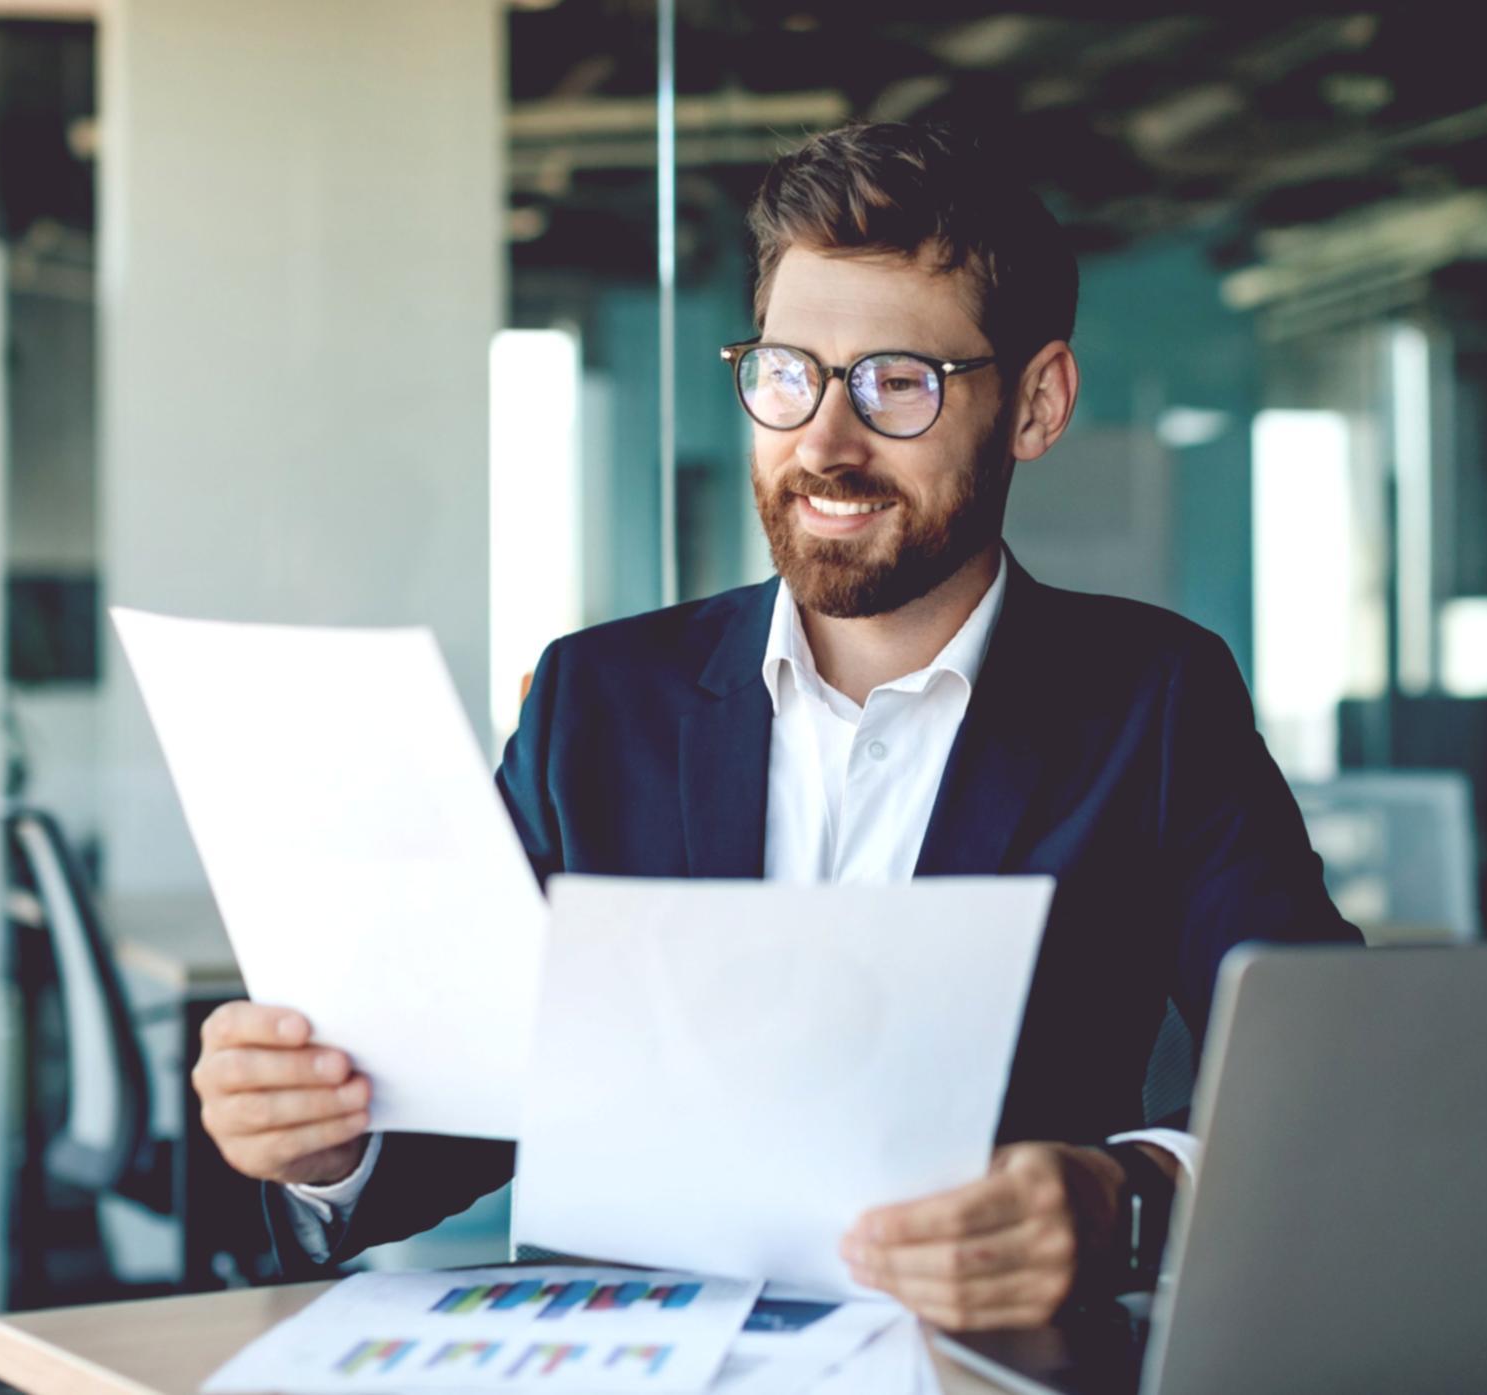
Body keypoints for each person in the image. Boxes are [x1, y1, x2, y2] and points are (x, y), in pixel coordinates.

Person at [191, 121, 1359, 1332]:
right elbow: (475, 1101)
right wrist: (323, 1141)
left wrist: (1125, 1195)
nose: (824, 443)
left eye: (897, 383)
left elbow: (1325, 1081)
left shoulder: (1154, 699)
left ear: (1036, 403)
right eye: (788, 372)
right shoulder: (599, 699)